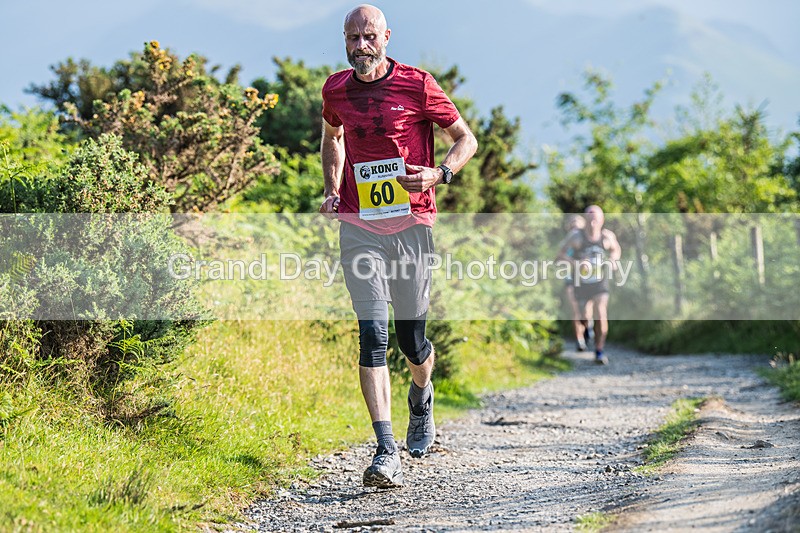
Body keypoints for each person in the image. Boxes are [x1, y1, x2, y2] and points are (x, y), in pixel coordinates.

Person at [319, 4, 478, 488]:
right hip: (360, 225)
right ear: (344, 40)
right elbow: (332, 137)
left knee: (411, 340)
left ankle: (421, 394)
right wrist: (331, 188)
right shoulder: (335, 89)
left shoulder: (418, 84)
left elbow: (464, 138)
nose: (361, 47)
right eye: (353, 38)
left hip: (412, 224)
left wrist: (439, 173)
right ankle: (385, 448)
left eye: (369, 37)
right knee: (373, 335)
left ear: (386, 37)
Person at [557, 205, 621, 364]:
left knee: (601, 311)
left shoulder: (607, 237)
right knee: (584, 315)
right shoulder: (576, 237)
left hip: (599, 282)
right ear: (585, 220)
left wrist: (613, 260)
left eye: (596, 219)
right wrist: (577, 263)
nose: (593, 222)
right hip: (582, 282)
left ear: (602, 220)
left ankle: (599, 350)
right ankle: (586, 328)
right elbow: (560, 256)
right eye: (590, 219)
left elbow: (616, 250)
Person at [557, 214, 592, 351]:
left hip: (587, 278)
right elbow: (558, 258)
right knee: (575, 308)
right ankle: (580, 340)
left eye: (577, 225)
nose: (574, 227)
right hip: (570, 277)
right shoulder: (566, 243)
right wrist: (573, 263)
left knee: (587, 308)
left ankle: (588, 326)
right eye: (572, 225)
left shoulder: (588, 240)